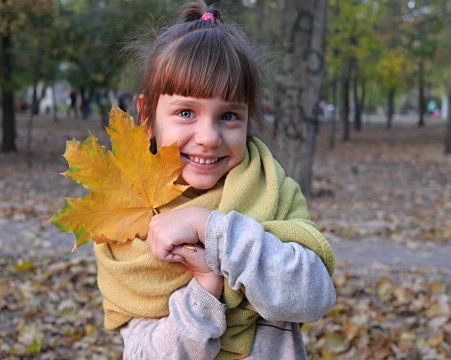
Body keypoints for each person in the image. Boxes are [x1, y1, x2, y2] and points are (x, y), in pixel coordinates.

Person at [93, 1, 336, 359]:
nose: (208, 136)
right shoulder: (123, 218)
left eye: (229, 116)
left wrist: (210, 228)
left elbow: (313, 296)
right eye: (186, 112)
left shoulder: (271, 187)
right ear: (147, 114)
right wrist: (204, 293)